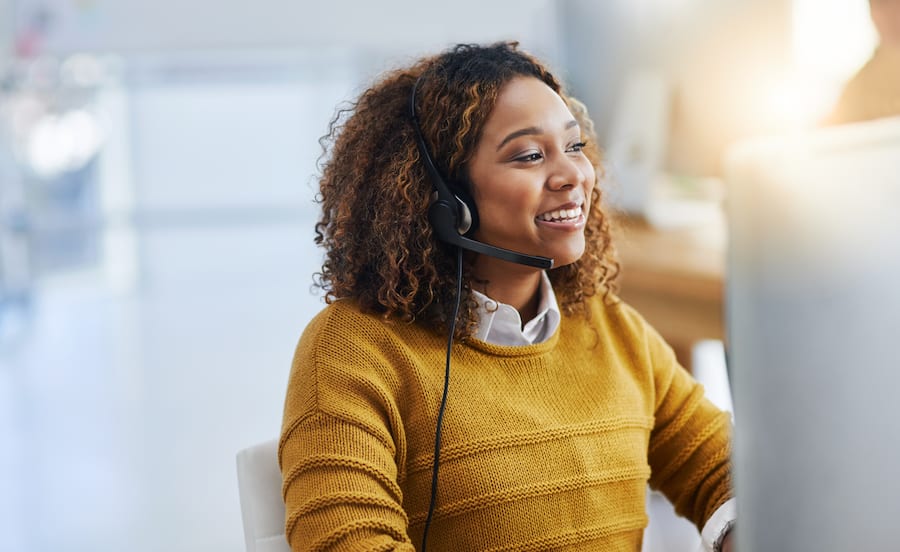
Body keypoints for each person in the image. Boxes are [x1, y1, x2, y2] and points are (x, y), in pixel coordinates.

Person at [279, 42, 735, 552]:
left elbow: (722, 467)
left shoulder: (610, 327)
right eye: (530, 155)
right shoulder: (352, 353)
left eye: (575, 147)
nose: (573, 177)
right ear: (447, 201)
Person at [825, 0, 900, 125]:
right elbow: (831, 132)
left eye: (894, 4)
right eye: (880, 5)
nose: (889, 14)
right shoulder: (860, 85)